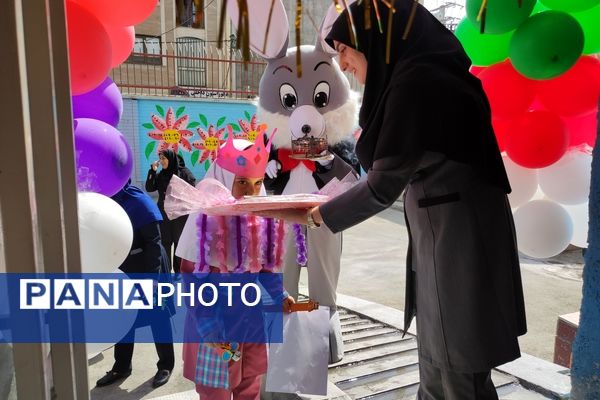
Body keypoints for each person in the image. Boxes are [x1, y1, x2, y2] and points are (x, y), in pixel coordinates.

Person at [258, 1, 527, 399]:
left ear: (375, 40)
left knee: (456, 369)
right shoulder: (423, 75)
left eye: (345, 49)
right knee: (441, 360)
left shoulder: (421, 84)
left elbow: (383, 185)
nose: (344, 64)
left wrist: (315, 216)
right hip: (447, 240)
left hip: (459, 248)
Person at [175, 135, 294, 400]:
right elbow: (191, 281)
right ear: (223, 180)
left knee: (250, 386)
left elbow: (265, 270)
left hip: (250, 321)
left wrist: (280, 295)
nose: (251, 192)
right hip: (215, 325)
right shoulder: (203, 224)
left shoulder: (257, 223)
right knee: (215, 392)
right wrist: (208, 325)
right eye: (242, 183)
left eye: (258, 183)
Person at [96, 181, 175, 389]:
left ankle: (165, 365)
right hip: (122, 269)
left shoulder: (138, 202)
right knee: (123, 318)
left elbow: (154, 243)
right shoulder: (103, 202)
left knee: (159, 316)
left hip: (150, 266)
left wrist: (152, 281)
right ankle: (121, 366)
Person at [146, 150, 196, 274]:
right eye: (160, 159)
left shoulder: (184, 173)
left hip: (180, 214)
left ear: (171, 159)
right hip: (164, 213)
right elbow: (149, 187)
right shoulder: (161, 174)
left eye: (164, 159)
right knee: (166, 242)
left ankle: (179, 272)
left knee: (179, 242)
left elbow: (192, 188)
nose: (161, 161)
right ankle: (166, 272)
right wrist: (152, 171)